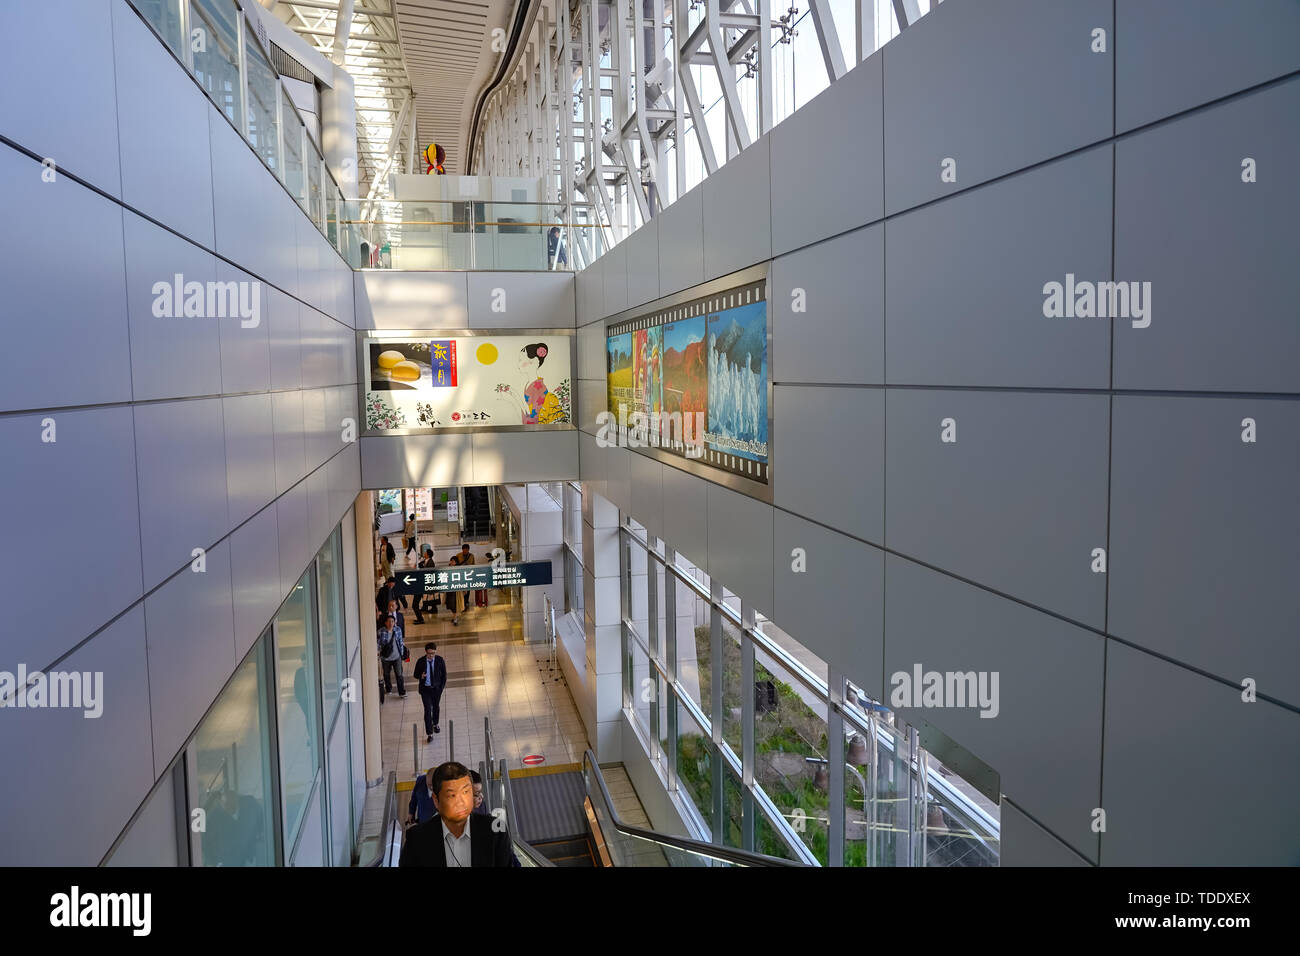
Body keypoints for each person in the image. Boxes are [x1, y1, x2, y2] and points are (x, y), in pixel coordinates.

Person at [398, 762, 513, 867]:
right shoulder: (417, 839)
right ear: (436, 800)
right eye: (452, 795)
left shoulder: (496, 831)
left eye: (466, 792)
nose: (461, 802)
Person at [412, 642, 446, 741]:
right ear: (426, 652)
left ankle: (435, 723)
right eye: (429, 653)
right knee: (427, 710)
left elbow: (444, 675)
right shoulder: (421, 661)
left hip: (436, 689)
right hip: (425, 690)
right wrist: (420, 676)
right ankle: (429, 733)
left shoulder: (439, 660)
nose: (431, 655)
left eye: (433, 653)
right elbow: (415, 674)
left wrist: (441, 688)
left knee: (436, 707)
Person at [378, 613, 406, 698]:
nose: (391, 623)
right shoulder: (381, 631)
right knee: (386, 674)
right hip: (386, 658)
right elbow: (378, 644)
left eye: (392, 621)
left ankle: (401, 692)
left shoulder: (398, 630)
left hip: (397, 657)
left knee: (399, 674)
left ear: (394, 622)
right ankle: (389, 688)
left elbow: (401, 642)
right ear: (385, 622)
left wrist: (402, 655)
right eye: (389, 621)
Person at [449, 543, 475, 625]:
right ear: (462, 549)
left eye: (467, 549)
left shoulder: (471, 556)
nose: (465, 551)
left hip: (468, 575)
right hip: (460, 575)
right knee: (461, 593)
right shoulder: (458, 555)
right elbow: (455, 563)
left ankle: (465, 602)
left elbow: (473, 565)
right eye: (464, 549)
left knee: (467, 589)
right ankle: (462, 604)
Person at [415, 546, 438, 620]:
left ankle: (433, 608)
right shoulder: (425, 560)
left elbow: (428, 571)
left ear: (428, 554)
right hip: (425, 581)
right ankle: (425, 606)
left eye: (425, 553)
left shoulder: (431, 562)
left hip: (429, 581)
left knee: (430, 595)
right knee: (425, 595)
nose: (424, 554)